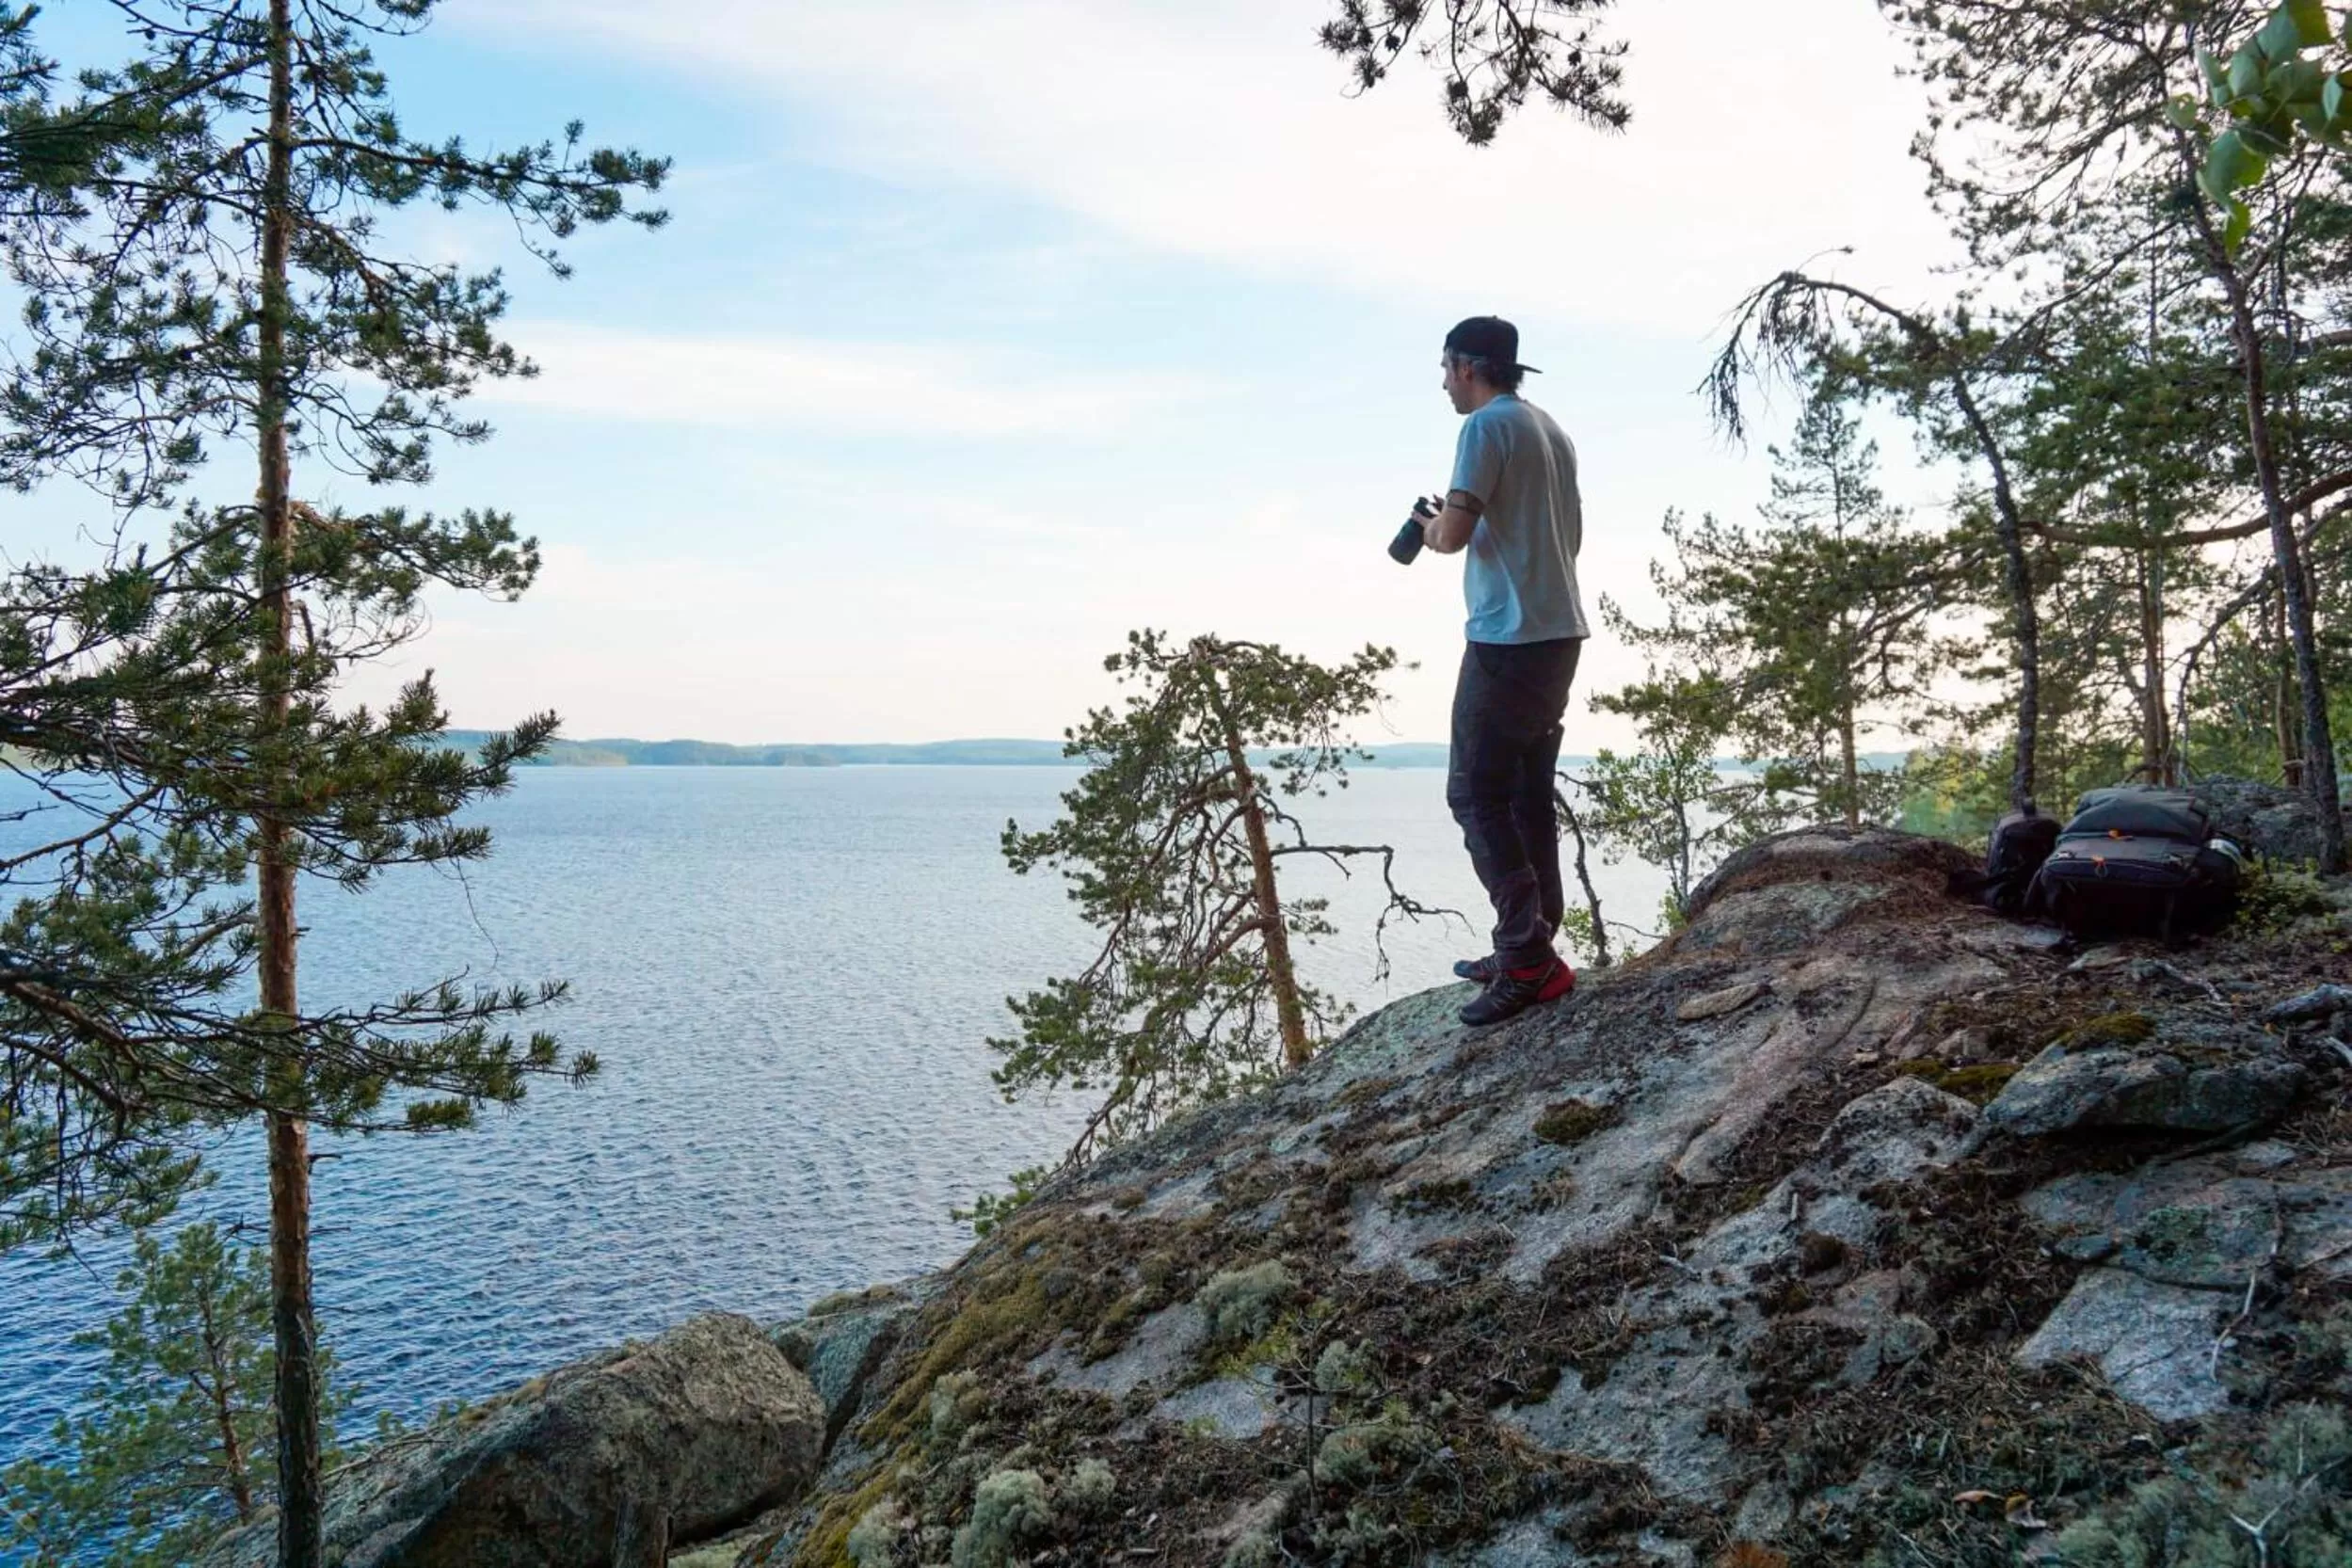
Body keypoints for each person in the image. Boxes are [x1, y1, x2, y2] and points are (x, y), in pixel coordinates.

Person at [1415, 316, 1589, 1026]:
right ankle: (1534, 938)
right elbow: (1562, 532)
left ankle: (1525, 958)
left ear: (1464, 366)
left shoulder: (1484, 428)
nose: (1443, 383)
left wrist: (1430, 529)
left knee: (1475, 795)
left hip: (1506, 638)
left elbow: (1450, 537)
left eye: (1445, 369)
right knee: (1524, 792)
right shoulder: (1549, 429)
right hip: (1558, 629)